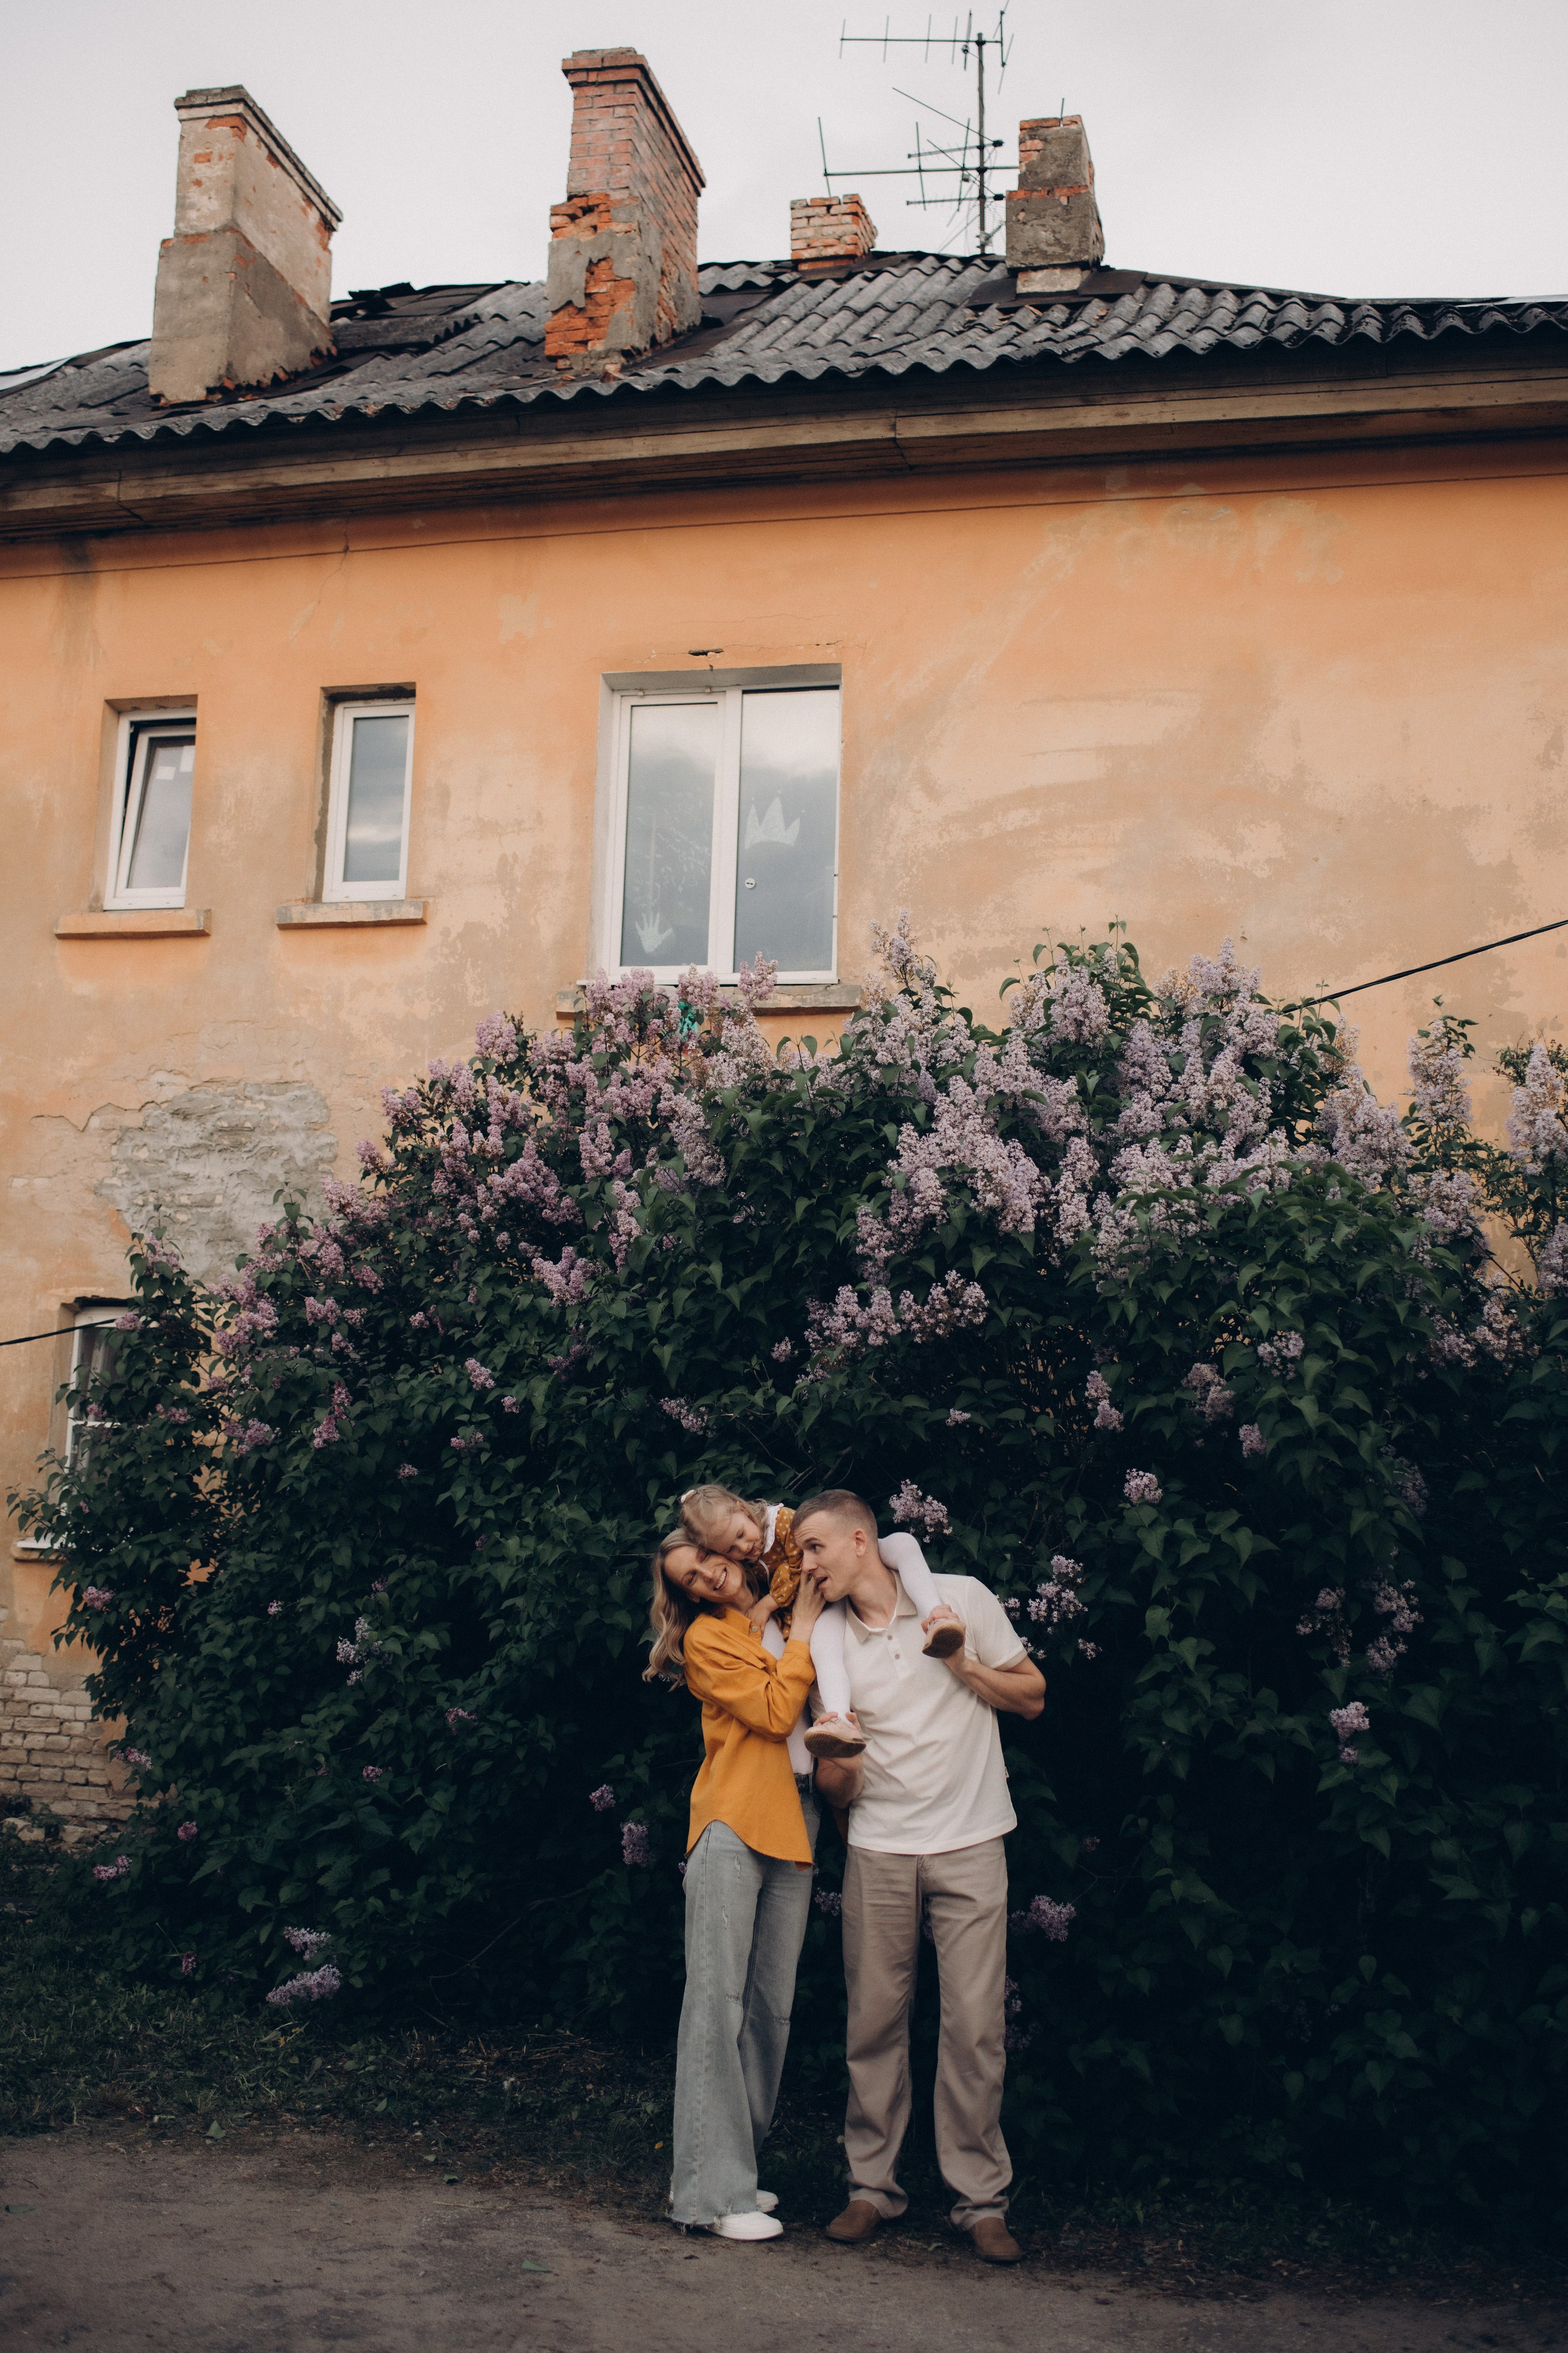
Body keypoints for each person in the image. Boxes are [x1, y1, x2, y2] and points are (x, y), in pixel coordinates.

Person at [793, 1488, 1046, 2267]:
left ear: (860, 1540)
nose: (805, 1566)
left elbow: (1032, 1695)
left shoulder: (959, 1598)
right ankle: (871, 2188)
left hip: (971, 1838)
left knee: (975, 2026)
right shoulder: (826, 1643)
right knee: (873, 2023)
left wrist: (961, 1661)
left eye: (814, 1548)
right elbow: (838, 1790)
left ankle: (980, 2202)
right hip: (879, 1847)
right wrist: (839, 1768)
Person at [644, 1527, 828, 2241]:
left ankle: (731, 2172)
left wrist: (788, 1610)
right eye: (689, 1579)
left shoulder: (770, 1608)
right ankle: (708, 2196)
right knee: (716, 2003)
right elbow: (778, 1713)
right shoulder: (706, 1640)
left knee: (768, 2009)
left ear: (725, 1545)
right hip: (735, 1818)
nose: (706, 1577)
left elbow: (795, 1532)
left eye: (705, 1559)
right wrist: (802, 1628)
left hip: (797, 1815)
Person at [677, 1484, 964, 1761]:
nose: (744, 1547)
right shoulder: (746, 1560)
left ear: (742, 1508)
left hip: (850, 1565)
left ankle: (937, 1617)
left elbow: (801, 1567)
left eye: (741, 1534)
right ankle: (840, 1721)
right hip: (828, 1597)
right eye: (731, 1549)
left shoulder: (781, 1522)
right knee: (825, 1649)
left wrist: (768, 1604)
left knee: (903, 1544)